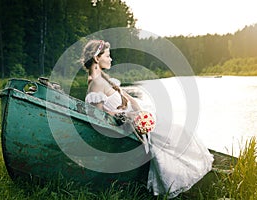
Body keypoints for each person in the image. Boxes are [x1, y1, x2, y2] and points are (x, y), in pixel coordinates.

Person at [81, 39, 214, 198]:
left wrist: (139, 112)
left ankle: (191, 172)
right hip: (131, 120)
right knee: (175, 135)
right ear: (97, 58)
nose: (111, 59)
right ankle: (180, 179)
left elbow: (128, 99)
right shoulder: (95, 84)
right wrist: (128, 116)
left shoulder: (102, 81)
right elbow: (100, 115)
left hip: (138, 114)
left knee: (178, 131)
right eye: (108, 56)